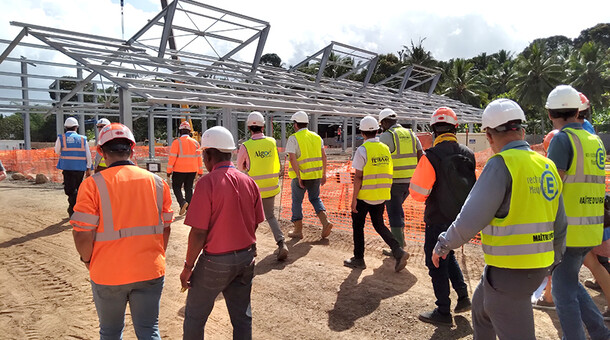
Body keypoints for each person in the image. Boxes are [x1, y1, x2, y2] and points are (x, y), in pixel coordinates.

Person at [432, 98, 567, 338]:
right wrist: (554, 260)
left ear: (490, 136)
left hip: (510, 269)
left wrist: (443, 244)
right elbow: (560, 222)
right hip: (535, 265)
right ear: (522, 131)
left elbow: (471, 218)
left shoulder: (501, 165)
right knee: (482, 309)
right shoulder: (546, 165)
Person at [70, 123, 173, 340]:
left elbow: (82, 233)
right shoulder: (158, 183)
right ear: (132, 150)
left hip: (108, 272)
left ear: (101, 152)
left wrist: (88, 260)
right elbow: (166, 227)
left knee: (110, 332)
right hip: (149, 270)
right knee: (149, 330)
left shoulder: (91, 185)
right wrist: (156, 255)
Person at [181, 126, 264, 339]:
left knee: (195, 317)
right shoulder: (249, 182)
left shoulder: (207, 183)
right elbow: (254, 222)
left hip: (215, 262)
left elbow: (199, 232)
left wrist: (188, 267)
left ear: (208, 154)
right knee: (242, 318)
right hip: (246, 258)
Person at [545, 84, 610, 340]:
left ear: (551, 113)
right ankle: (599, 332)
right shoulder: (593, 140)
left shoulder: (563, 139)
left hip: (568, 232)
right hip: (590, 229)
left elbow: (551, 187)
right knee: (570, 283)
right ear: (577, 111)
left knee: (563, 293)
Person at [410, 107, 474, 326]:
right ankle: (463, 297)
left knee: (435, 260)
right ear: (455, 128)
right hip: (461, 218)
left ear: (434, 129)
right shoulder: (469, 154)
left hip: (437, 218)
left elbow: (417, 194)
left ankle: (443, 310)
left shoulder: (431, 156)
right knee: (448, 253)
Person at [343, 116, 409, 272]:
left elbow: (358, 177)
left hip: (364, 195)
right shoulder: (385, 148)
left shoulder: (362, 150)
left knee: (358, 226)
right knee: (379, 224)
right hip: (381, 195)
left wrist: (353, 200)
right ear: (378, 131)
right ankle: (398, 250)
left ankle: (359, 258)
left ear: (362, 132)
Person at [237, 111, 289, 261]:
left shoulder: (246, 146)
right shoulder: (272, 142)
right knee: (270, 216)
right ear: (263, 126)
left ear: (249, 128)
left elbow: (240, 168)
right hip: (271, 186)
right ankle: (281, 243)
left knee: (251, 218)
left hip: (254, 189)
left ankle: (252, 247)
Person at [378, 108, 423, 256]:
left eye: (381, 124)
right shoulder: (411, 134)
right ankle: (400, 240)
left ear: (384, 122)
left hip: (394, 182)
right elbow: (420, 154)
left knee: (394, 213)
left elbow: (379, 158)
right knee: (398, 210)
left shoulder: (386, 136)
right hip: (410, 182)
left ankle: (398, 247)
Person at [286, 110, 333, 239]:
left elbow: (292, 159)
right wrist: (324, 174)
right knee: (315, 198)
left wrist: (299, 176)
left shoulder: (293, 138)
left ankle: (298, 230)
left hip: (301, 177)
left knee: (297, 201)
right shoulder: (317, 137)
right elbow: (324, 156)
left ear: (296, 124)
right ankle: (325, 222)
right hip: (316, 175)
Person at [55, 117, 92, 216]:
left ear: (65, 127)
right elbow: (88, 154)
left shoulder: (61, 138)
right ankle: (75, 209)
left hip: (67, 168)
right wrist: (89, 168)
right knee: (78, 189)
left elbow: (57, 151)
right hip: (80, 168)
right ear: (76, 127)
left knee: (70, 190)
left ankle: (73, 210)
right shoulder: (83, 139)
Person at [167, 121, 203, 215]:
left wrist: (168, 171)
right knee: (188, 188)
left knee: (176, 187)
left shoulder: (177, 142)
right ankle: (189, 209)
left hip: (179, 170)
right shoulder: (196, 143)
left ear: (180, 131)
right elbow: (199, 158)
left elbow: (172, 158)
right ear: (189, 131)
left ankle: (182, 202)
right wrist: (200, 171)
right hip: (192, 170)